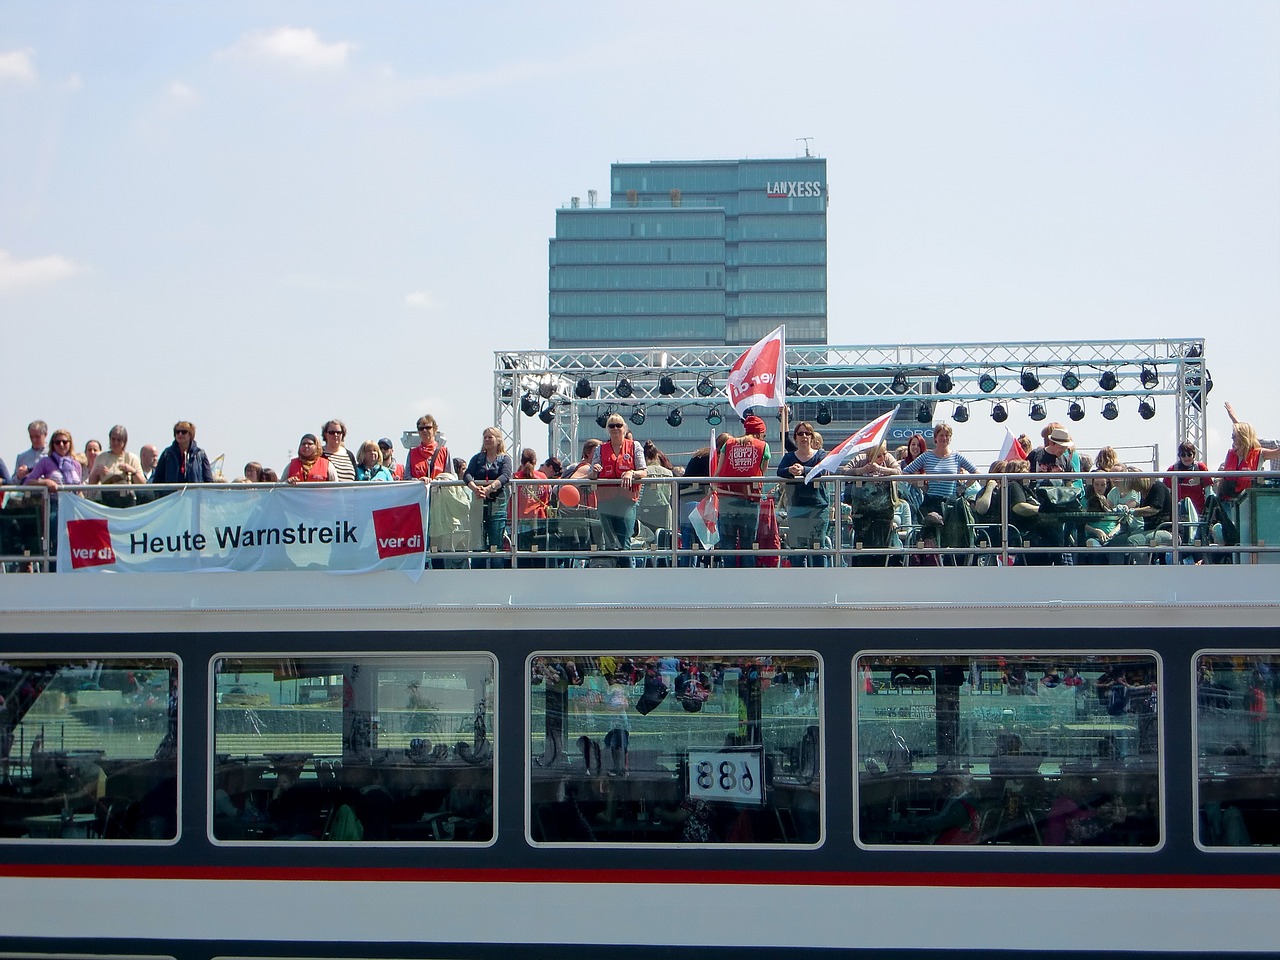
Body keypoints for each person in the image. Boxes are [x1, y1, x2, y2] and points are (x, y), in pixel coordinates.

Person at [712, 415, 770, 567]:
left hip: (727, 498)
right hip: (750, 499)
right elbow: (762, 472)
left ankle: (728, 578)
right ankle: (747, 579)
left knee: (727, 543)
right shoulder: (763, 446)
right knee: (748, 543)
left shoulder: (728, 444)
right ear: (759, 432)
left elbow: (718, 472)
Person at [590, 414, 646, 567]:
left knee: (624, 541)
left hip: (627, 501)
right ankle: (611, 575)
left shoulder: (635, 446)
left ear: (624, 428)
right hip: (605, 501)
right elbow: (591, 474)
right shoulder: (600, 449)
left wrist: (631, 472)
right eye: (611, 426)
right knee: (609, 543)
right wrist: (594, 471)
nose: (615, 428)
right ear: (607, 429)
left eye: (618, 425)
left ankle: (627, 574)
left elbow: (643, 471)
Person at [776, 421, 831, 565]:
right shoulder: (789, 457)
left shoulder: (820, 454)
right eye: (800, 433)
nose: (804, 436)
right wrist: (789, 470)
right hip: (796, 507)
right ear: (796, 437)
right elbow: (779, 471)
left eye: (808, 433)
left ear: (812, 437)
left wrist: (804, 471)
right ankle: (798, 582)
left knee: (817, 547)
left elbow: (823, 470)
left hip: (818, 507)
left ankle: (820, 581)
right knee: (797, 549)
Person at [464, 427, 512, 568]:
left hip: (497, 506)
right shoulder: (477, 458)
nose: (486, 440)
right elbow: (467, 475)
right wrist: (475, 488)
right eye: (485, 437)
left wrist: (489, 488)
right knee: (478, 543)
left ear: (498, 440)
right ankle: (478, 574)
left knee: (495, 543)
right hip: (478, 507)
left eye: (490, 437)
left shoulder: (505, 459)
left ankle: (496, 575)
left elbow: (505, 476)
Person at [151, 421, 214, 488]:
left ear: (190, 434)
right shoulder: (167, 454)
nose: (180, 434)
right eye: (177, 432)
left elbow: (208, 480)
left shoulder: (200, 454)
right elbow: (157, 480)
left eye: (184, 432)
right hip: (172, 497)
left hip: (194, 496)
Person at [637, 440, 674, 536]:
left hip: (645, 511)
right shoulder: (668, 473)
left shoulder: (643, 473)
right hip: (665, 510)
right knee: (664, 538)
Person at [1165, 440, 1210, 517]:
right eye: (1183, 455)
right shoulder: (1172, 469)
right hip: (1178, 514)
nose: (1186, 457)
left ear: (1194, 455)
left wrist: (1209, 508)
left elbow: (1208, 490)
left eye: (1189, 454)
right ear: (1179, 456)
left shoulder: (1200, 467)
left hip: (1199, 513)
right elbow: (1166, 492)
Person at [406, 415, 450, 481]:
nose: (424, 430)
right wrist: (419, 481)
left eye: (428, 427)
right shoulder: (412, 453)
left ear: (435, 429)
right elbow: (407, 478)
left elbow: (450, 477)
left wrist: (435, 481)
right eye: (421, 428)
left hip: (439, 490)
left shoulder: (445, 452)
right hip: (420, 491)